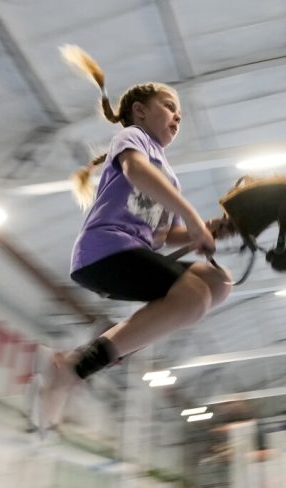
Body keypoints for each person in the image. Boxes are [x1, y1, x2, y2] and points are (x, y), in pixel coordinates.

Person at [37, 46, 235, 430]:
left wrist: (207, 230)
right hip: (103, 251)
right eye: (168, 105)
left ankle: (76, 363)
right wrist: (194, 220)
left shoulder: (168, 173)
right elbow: (136, 173)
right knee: (193, 299)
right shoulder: (133, 139)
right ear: (140, 111)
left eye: (180, 111)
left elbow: (158, 236)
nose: (177, 115)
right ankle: (73, 368)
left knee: (217, 282)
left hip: (130, 250)